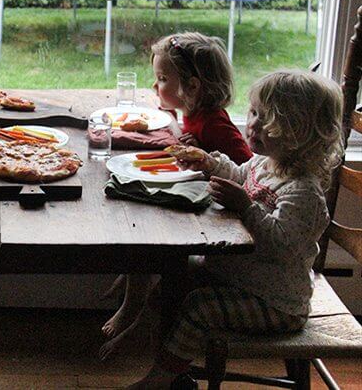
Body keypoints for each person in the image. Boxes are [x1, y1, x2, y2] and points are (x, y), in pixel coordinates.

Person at [126, 69, 343, 389]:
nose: (251, 123)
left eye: (264, 118)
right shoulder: (264, 163)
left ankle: (161, 378)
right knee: (174, 276)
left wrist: (246, 207)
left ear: (296, 133)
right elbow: (240, 174)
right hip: (243, 276)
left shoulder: (303, 193)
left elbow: (280, 246)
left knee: (199, 307)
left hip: (277, 301)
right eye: (253, 112)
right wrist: (211, 164)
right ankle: (177, 368)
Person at [100, 32, 252, 359]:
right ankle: (133, 283)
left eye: (162, 79)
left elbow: (250, 169)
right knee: (139, 211)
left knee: (145, 227)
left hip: (222, 221)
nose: (155, 87)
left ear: (193, 87)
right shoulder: (195, 115)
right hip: (202, 205)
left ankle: (134, 301)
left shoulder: (216, 126)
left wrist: (210, 158)